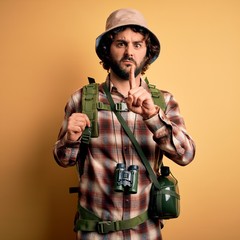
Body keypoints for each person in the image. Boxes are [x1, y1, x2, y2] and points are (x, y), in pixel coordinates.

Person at [53, 8, 195, 240]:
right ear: (107, 50)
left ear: (147, 52)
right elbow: (63, 160)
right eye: (121, 44)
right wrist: (70, 139)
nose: (129, 51)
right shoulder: (82, 99)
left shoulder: (164, 101)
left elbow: (186, 155)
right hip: (95, 233)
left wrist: (152, 116)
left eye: (137, 45)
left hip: (145, 232)